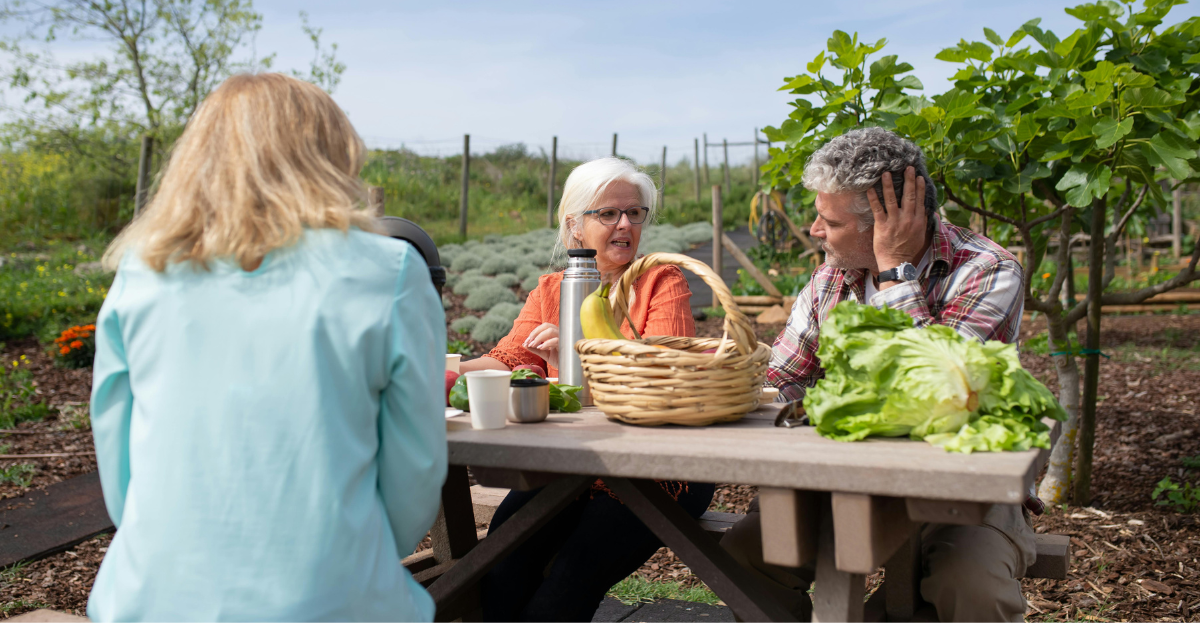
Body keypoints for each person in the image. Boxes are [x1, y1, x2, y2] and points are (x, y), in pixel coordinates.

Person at [88, 73, 447, 622]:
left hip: (153, 597)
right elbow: (414, 469)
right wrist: (351, 551)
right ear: (329, 156)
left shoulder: (142, 272)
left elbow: (119, 463)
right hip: (330, 596)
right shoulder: (389, 270)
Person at [720, 127, 1033, 622]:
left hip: (961, 489)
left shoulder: (987, 269)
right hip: (838, 482)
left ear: (885, 223)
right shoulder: (831, 278)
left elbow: (939, 389)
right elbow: (782, 378)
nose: (814, 230)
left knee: (972, 587)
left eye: (829, 221)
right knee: (746, 557)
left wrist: (895, 273)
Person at [460, 157, 714, 622]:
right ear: (574, 227)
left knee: (567, 585)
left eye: (634, 213)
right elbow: (506, 359)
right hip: (570, 465)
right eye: (608, 213)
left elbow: (659, 375)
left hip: (656, 471)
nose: (624, 224)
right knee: (502, 560)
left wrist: (578, 361)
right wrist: (443, 372)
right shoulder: (553, 289)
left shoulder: (661, 281)